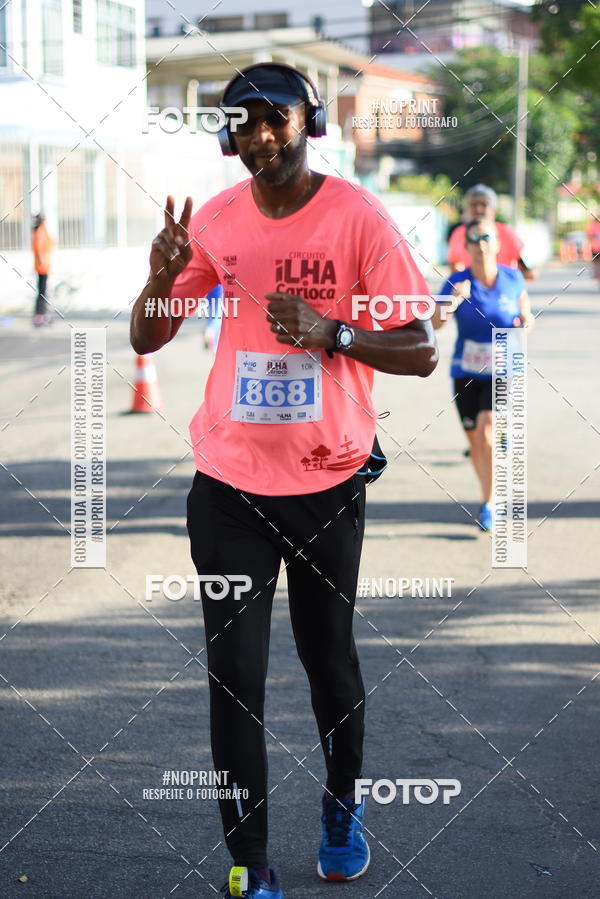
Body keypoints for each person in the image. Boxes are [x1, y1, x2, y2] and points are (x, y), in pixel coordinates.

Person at [130, 63, 438, 899]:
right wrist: (159, 278)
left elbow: (420, 348)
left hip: (326, 484)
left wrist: (335, 331)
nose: (262, 133)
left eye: (278, 117)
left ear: (311, 121)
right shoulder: (215, 220)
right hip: (228, 486)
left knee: (328, 660)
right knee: (235, 675)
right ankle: (252, 857)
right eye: (246, 120)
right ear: (228, 134)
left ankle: (342, 806)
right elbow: (149, 338)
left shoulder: (358, 218)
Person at [432, 218, 533, 532]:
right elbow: (434, 323)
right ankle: (488, 490)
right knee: (476, 440)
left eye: (487, 238)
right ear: (467, 246)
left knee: (487, 431)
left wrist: (526, 320)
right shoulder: (456, 281)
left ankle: (489, 503)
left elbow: (526, 313)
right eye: (474, 239)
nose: (481, 244)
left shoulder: (513, 278)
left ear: (498, 244)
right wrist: (453, 301)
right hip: (466, 369)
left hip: (503, 367)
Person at [447, 185, 537, 281]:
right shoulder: (458, 234)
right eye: (474, 204)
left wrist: (505, 281)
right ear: (467, 209)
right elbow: (454, 265)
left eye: (484, 204)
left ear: (494, 210)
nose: (478, 209)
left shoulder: (508, 233)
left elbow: (530, 272)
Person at [31, 213, 54, 326]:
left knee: (42, 292)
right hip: (42, 267)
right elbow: (40, 249)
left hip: (42, 266)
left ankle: (41, 315)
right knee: (42, 292)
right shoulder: (40, 231)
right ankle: (40, 316)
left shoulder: (38, 230)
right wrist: (42, 263)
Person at [586, 217, 600, 283]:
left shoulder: (592, 225)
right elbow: (589, 235)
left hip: (595, 247)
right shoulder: (592, 225)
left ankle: (596, 273)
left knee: (596, 262)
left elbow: (589, 236)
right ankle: (596, 273)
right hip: (596, 247)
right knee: (596, 261)